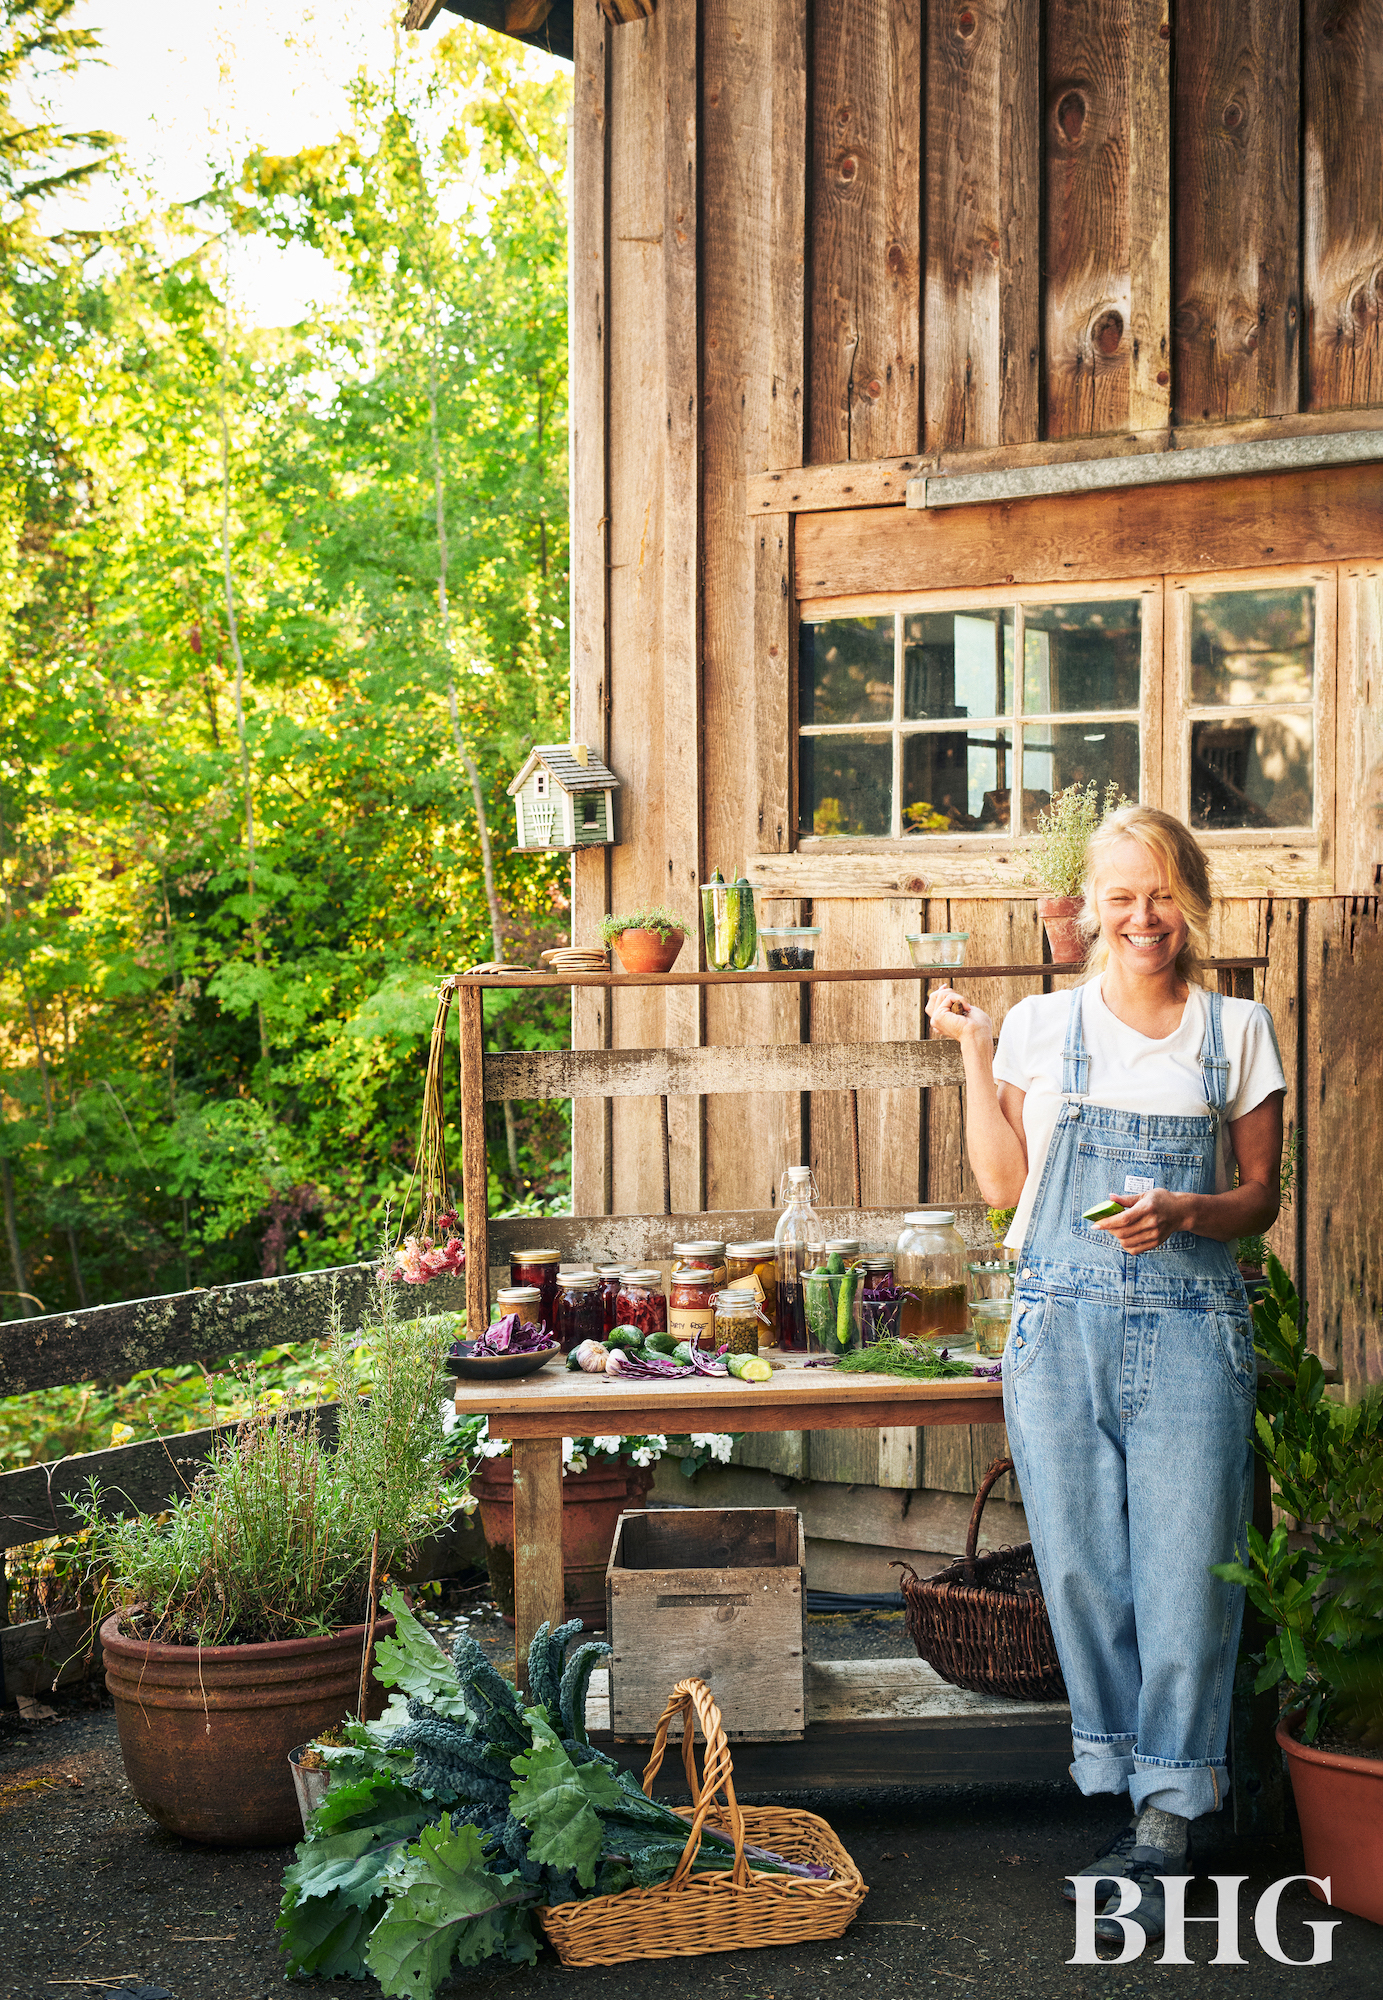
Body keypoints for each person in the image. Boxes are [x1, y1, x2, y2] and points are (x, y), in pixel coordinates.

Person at [926, 805, 1285, 1942]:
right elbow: (1005, 1187)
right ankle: (1136, 1785)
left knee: (1187, 1568)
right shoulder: (1040, 1025)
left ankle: (1173, 1813)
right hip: (1058, 1325)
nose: (1144, 916)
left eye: (1164, 892)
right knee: (1083, 1571)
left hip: (1193, 1320)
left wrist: (1186, 1208)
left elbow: (1260, 1199)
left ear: (1192, 902)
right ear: (1087, 908)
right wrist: (974, 1054)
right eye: (1121, 895)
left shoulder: (1234, 1032)